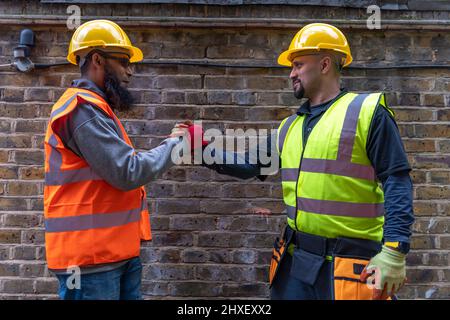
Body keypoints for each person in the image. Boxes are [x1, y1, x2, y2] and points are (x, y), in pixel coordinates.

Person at [191, 23, 415, 300]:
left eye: (297, 64)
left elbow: (397, 180)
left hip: (349, 264)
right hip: (296, 262)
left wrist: (394, 251)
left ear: (324, 64)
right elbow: (248, 166)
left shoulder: (367, 114)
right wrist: (200, 149)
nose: (292, 73)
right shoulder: (289, 127)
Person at [43, 20, 186, 300]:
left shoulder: (95, 108)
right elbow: (127, 171)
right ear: (97, 59)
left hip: (114, 255)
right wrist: (176, 145)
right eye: (123, 62)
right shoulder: (80, 110)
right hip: (90, 264)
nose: (130, 72)